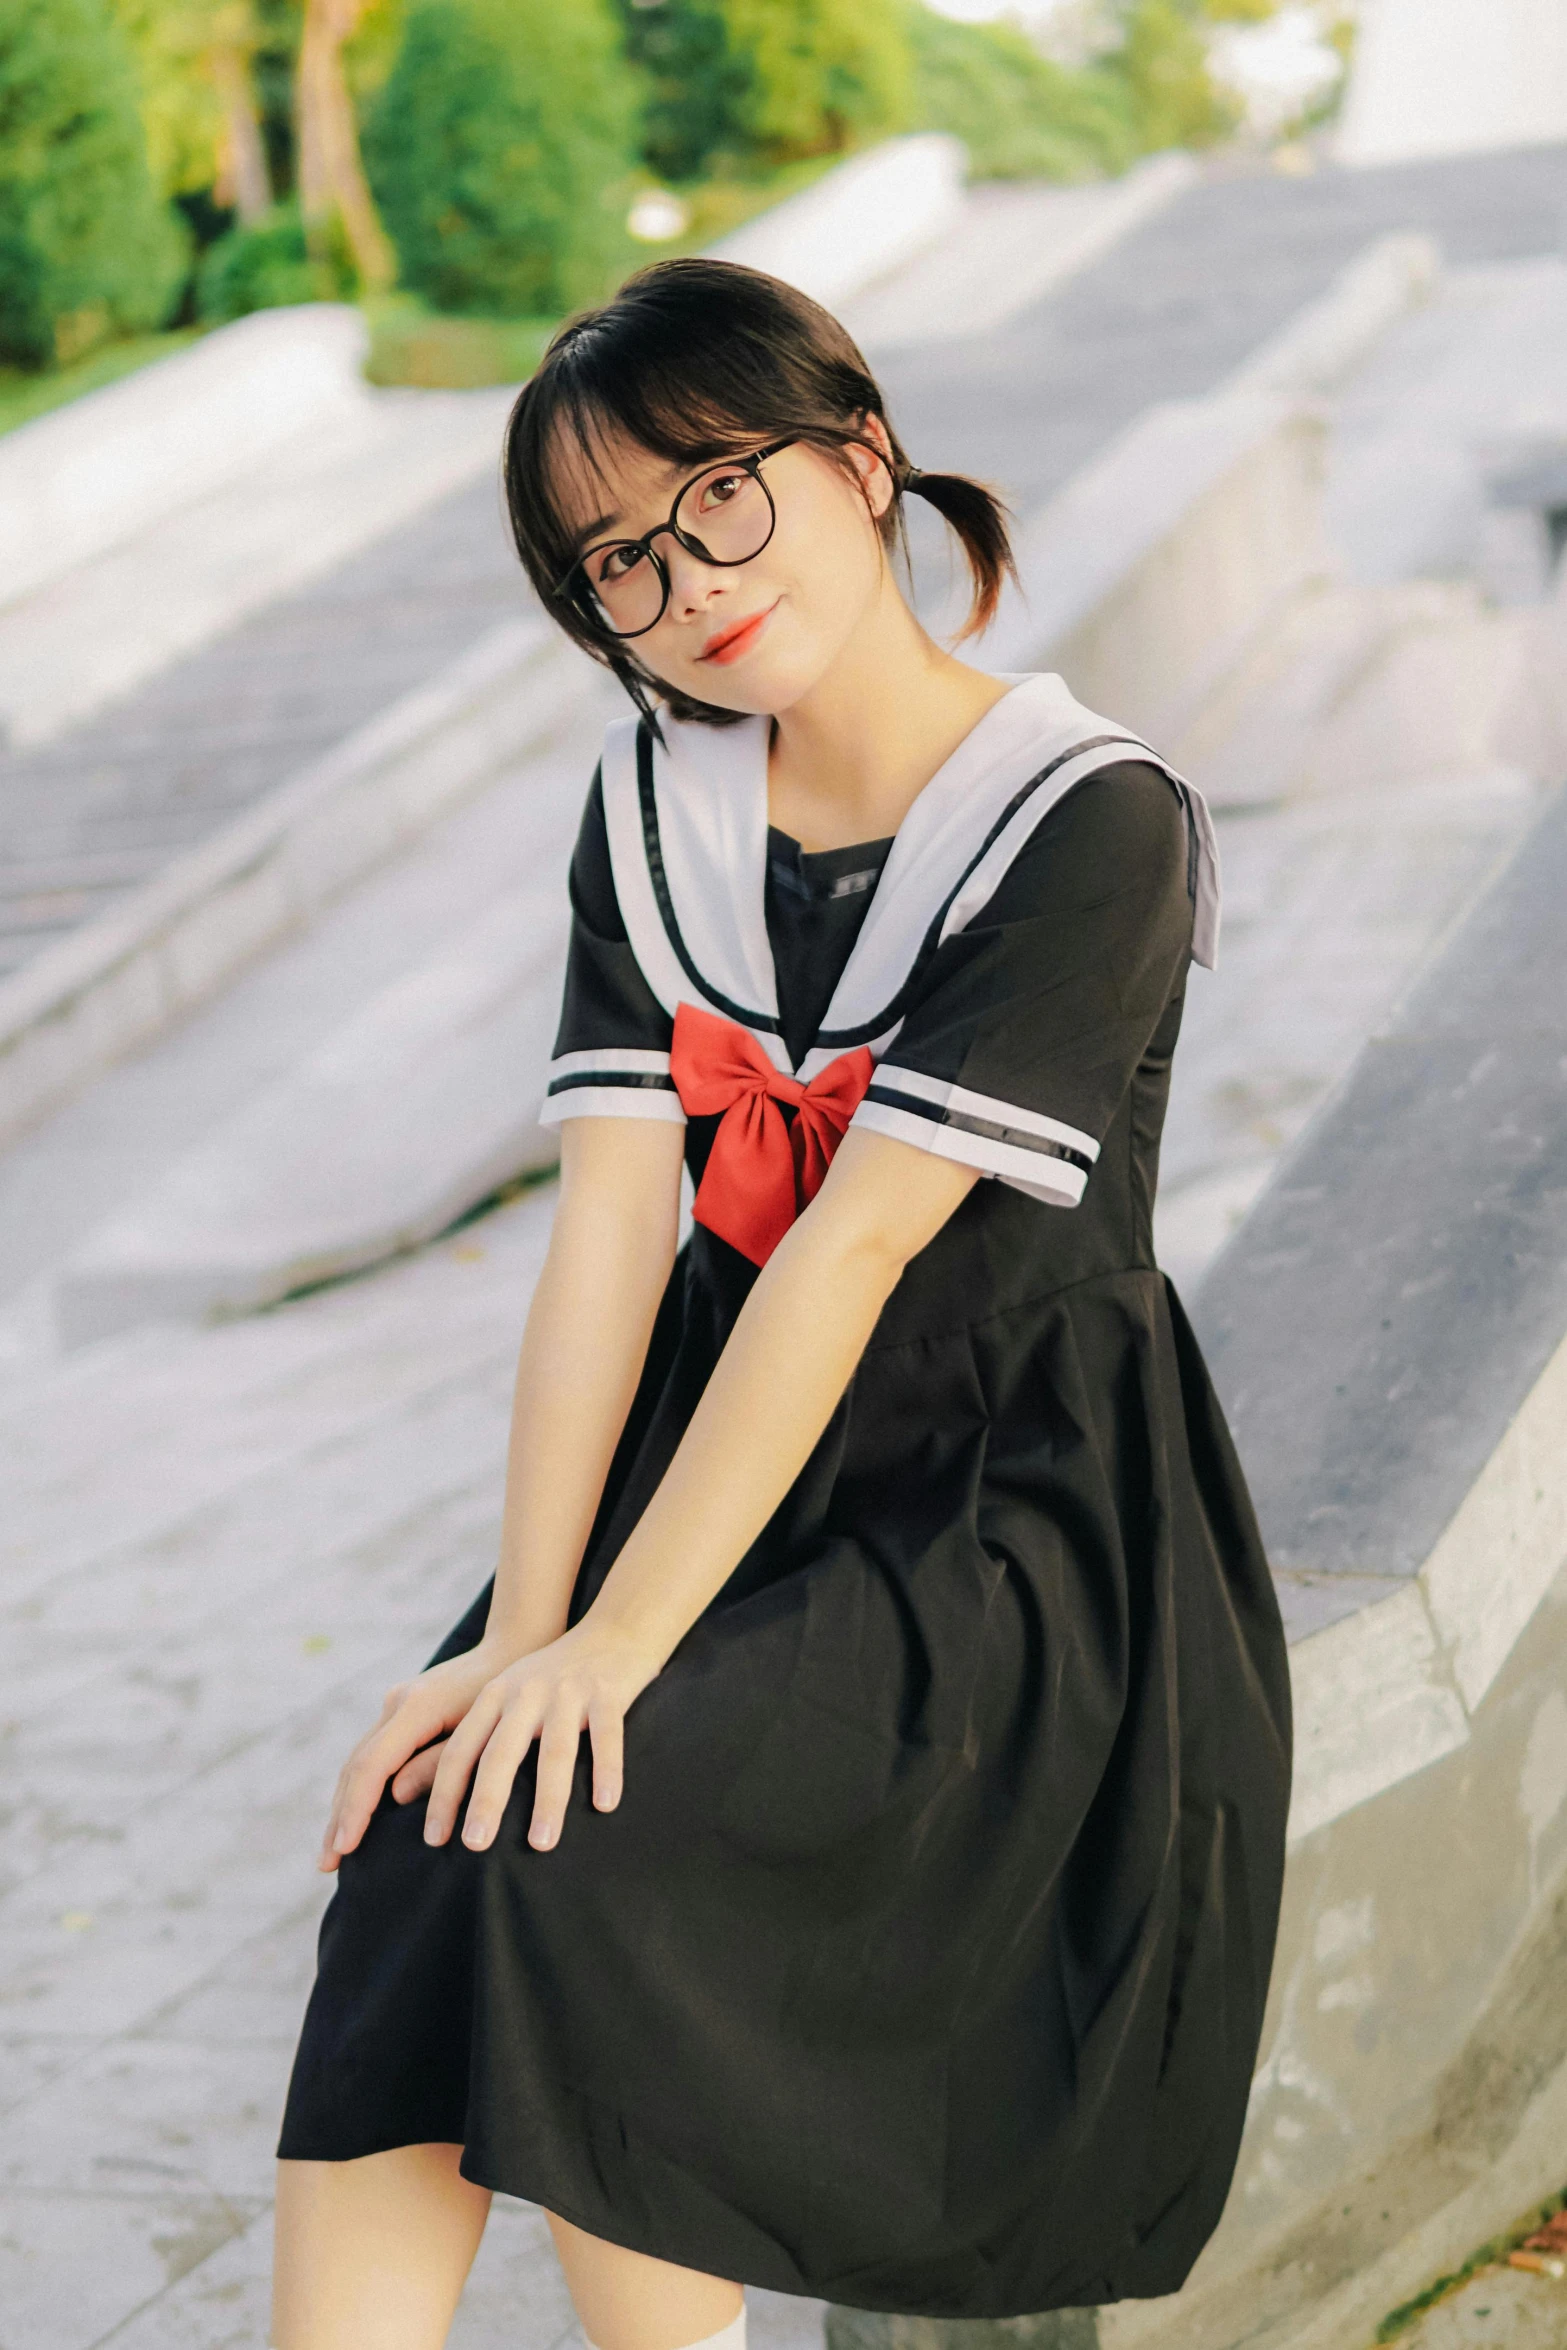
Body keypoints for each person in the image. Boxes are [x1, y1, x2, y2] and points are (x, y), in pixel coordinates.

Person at [272, 257, 1292, 2350]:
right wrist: (532, 1629)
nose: (684, 584)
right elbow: (607, 1244)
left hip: (1001, 1517)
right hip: (711, 1476)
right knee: (422, 1850)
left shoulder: (1088, 818)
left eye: (717, 496)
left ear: (857, 456)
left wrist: (612, 1655)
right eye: (617, 563)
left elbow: (851, 1244)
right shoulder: (655, 816)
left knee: (579, 1838)